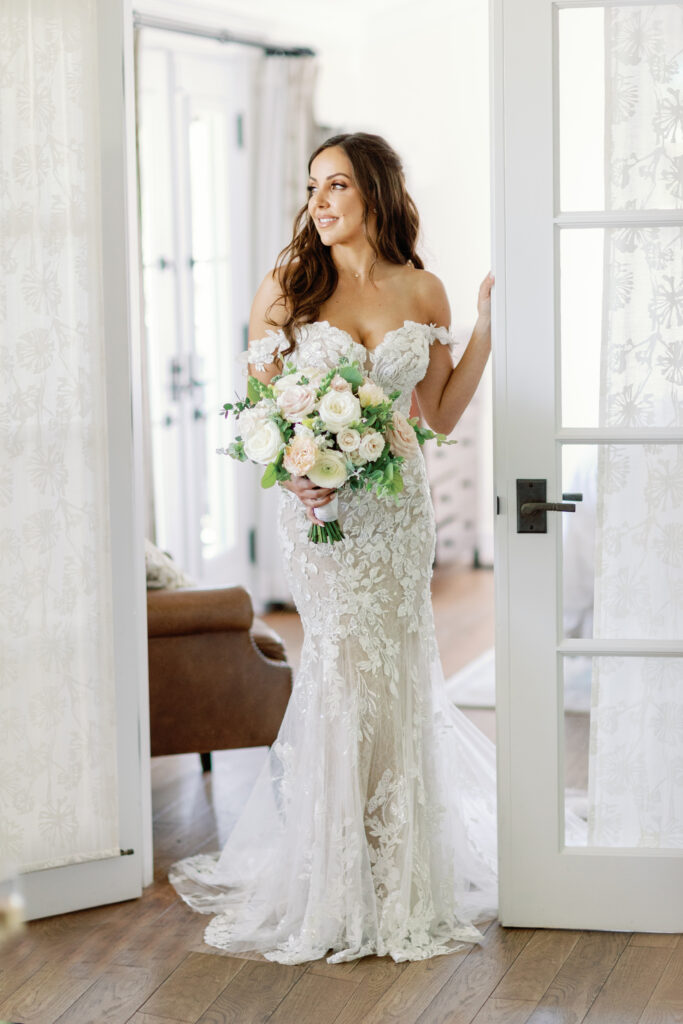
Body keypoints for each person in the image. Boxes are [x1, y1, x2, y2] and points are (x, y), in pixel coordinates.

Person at [169, 132, 498, 965]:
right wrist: (295, 479)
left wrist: (487, 330)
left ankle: (400, 869)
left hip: (395, 516)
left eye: (338, 185)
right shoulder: (286, 288)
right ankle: (336, 873)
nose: (319, 201)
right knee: (343, 667)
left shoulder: (422, 289)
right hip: (319, 515)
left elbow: (439, 413)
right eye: (313, 185)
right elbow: (256, 415)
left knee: (393, 670)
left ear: (374, 194)